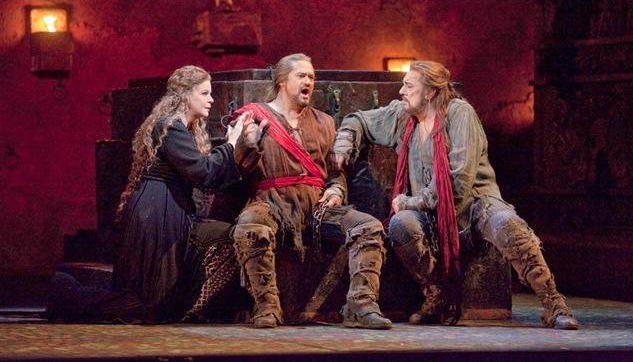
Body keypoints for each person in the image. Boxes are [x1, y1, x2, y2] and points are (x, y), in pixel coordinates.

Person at [330, 60, 580, 330]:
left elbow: (457, 182)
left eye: (409, 86)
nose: (402, 91)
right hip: (431, 212)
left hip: (475, 203)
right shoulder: (403, 116)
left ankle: (553, 304)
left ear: (430, 93)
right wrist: (343, 145)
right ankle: (437, 296)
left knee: (510, 227)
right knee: (401, 224)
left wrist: (410, 201)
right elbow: (358, 120)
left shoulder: (460, 114)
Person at [46, 65, 265, 323]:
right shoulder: (170, 127)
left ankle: (199, 306)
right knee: (147, 303)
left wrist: (239, 146)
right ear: (186, 95)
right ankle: (67, 295)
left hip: (168, 209)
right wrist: (231, 143)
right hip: (158, 212)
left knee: (154, 300)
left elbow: (210, 176)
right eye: (204, 93)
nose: (211, 99)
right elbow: (203, 172)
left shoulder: (184, 129)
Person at [229, 53, 392, 329]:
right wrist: (249, 143)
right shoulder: (254, 117)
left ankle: (361, 306)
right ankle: (267, 307)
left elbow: (334, 171)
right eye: (301, 76)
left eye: (311, 77)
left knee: (368, 227)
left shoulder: (324, 122)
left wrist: (336, 190)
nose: (308, 82)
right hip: (271, 201)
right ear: (282, 81)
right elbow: (238, 169)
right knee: (250, 227)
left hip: (316, 204)